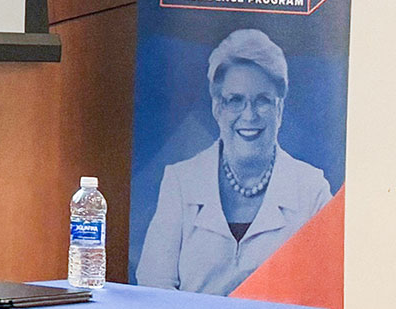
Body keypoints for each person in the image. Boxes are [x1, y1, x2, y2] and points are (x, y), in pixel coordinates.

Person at [137, 28, 332, 295]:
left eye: (263, 101)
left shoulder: (312, 190)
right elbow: (154, 284)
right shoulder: (181, 181)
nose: (249, 115)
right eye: (235, 101)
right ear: (217, 107)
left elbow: (324, 290)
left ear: (279, 109)